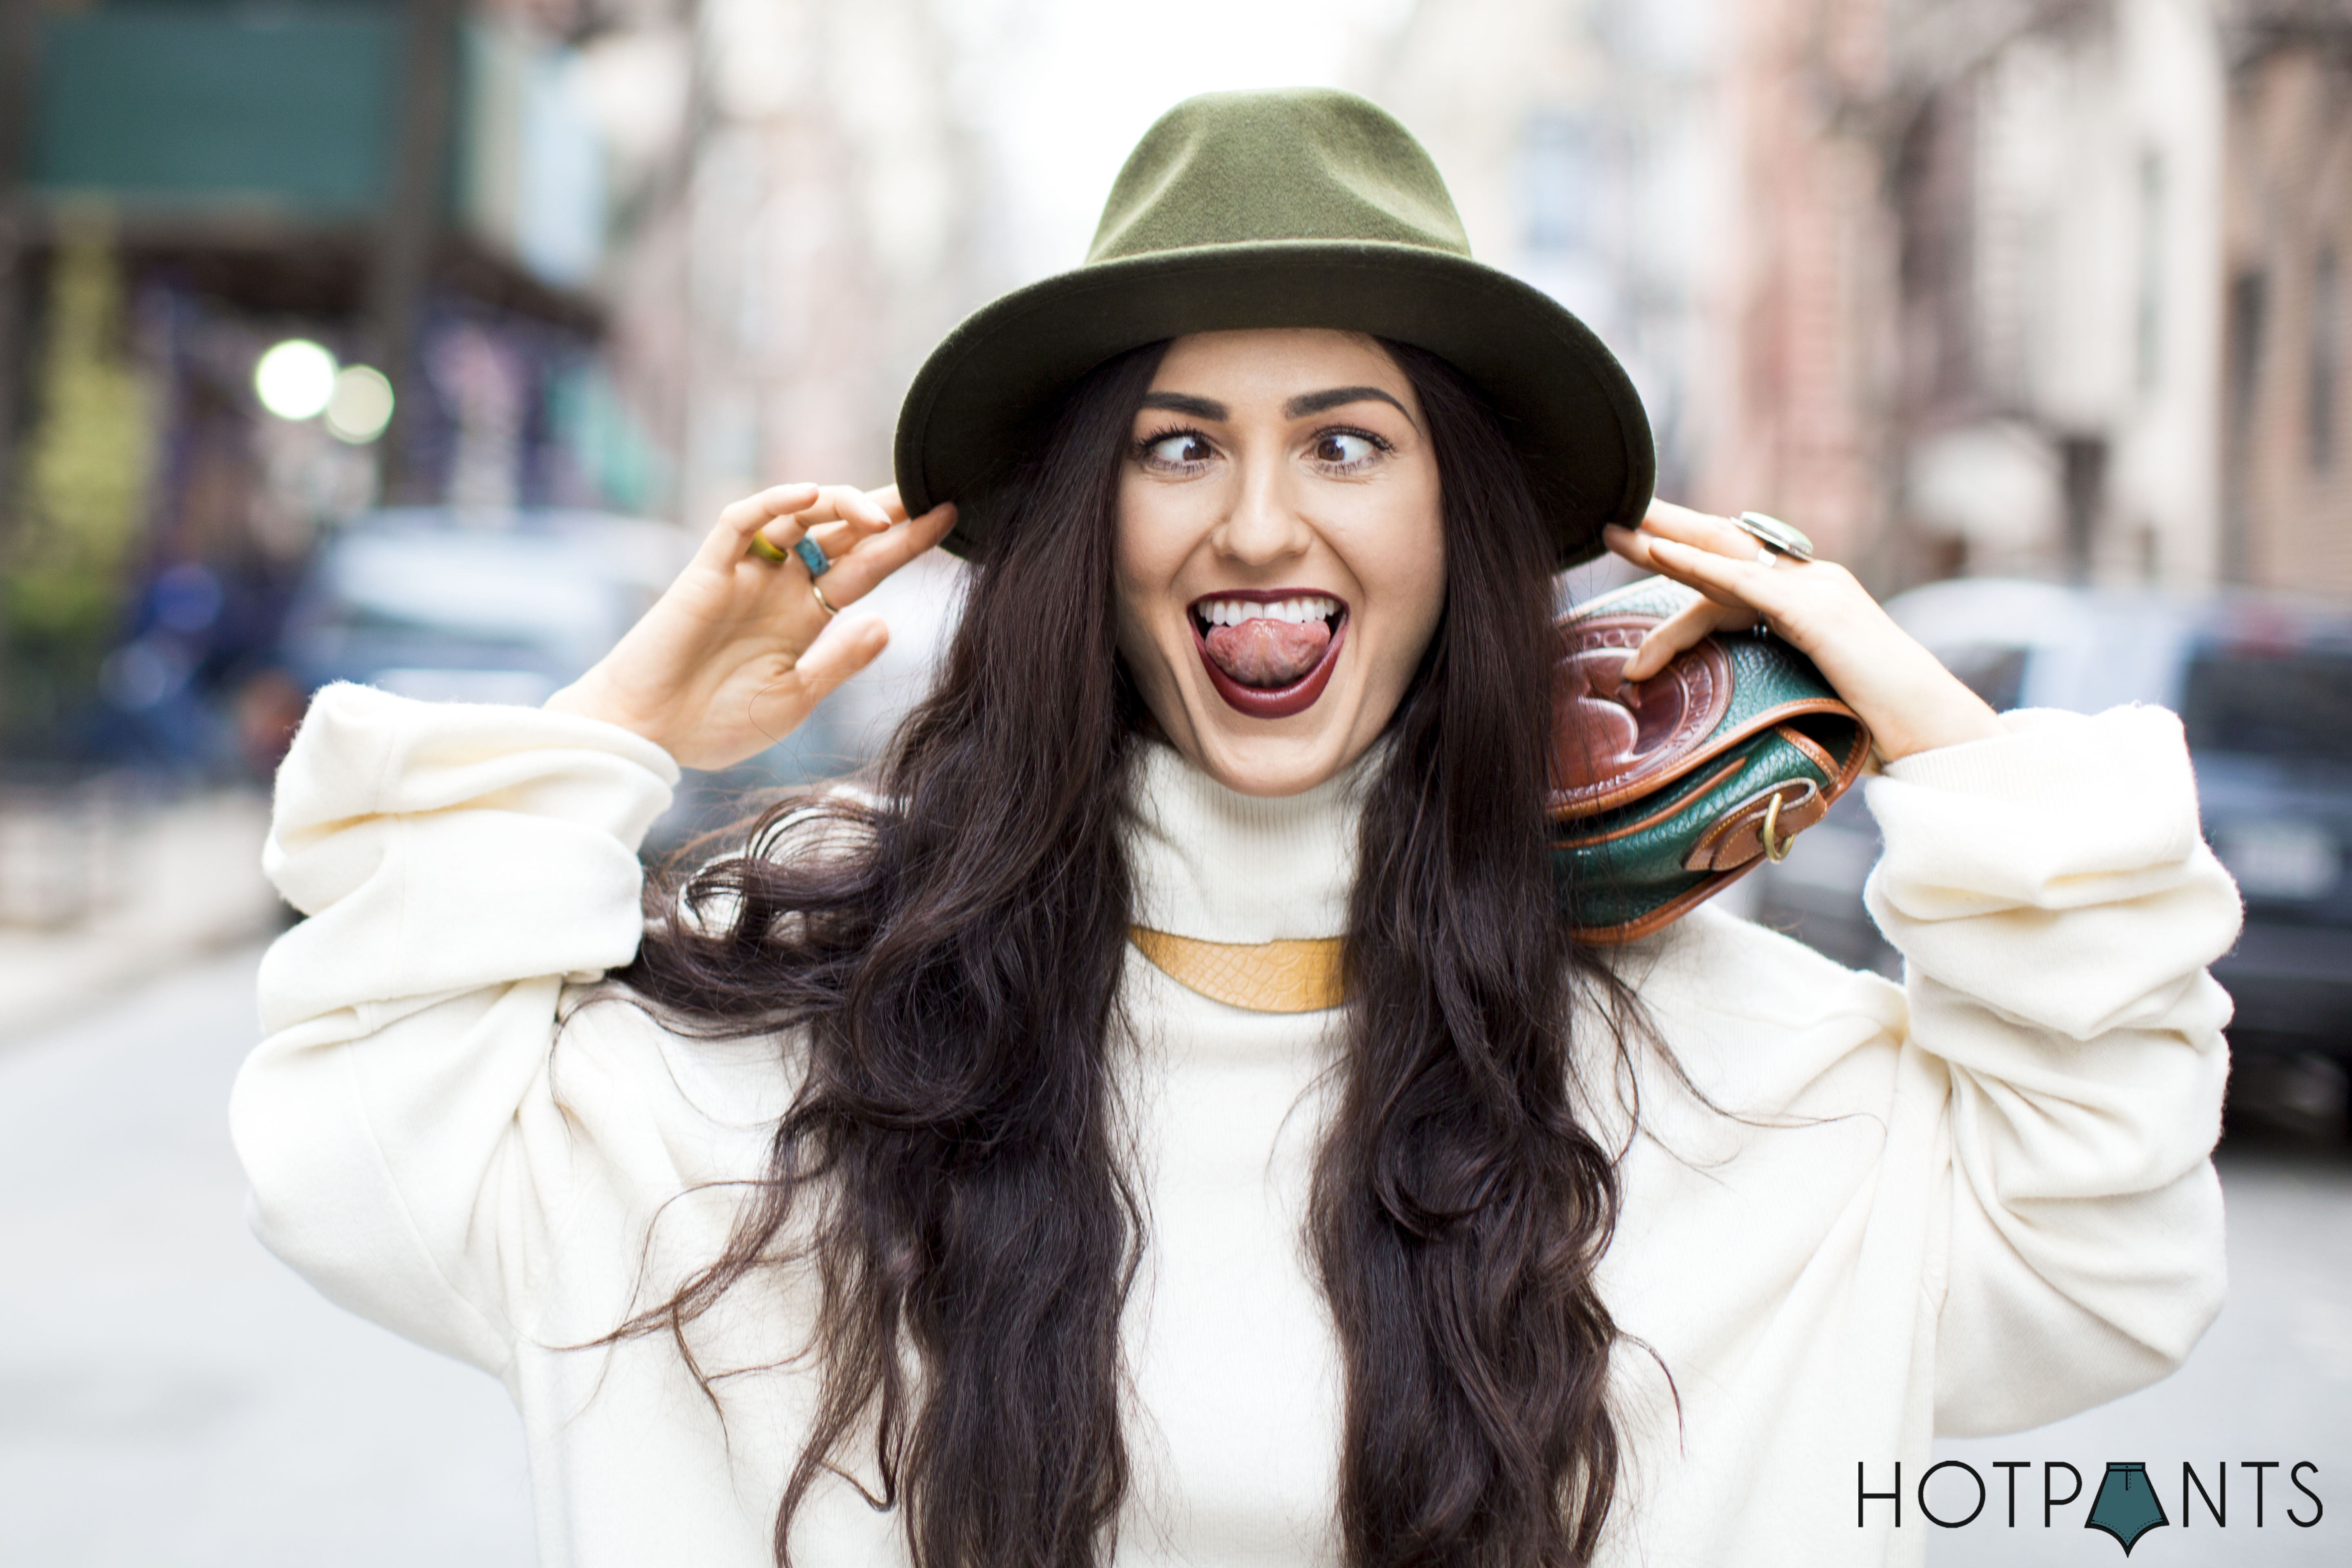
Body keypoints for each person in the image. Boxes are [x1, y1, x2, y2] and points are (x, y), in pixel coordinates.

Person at [231, 90, 2240, 1568]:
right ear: (1083, 538)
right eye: (1180, 445)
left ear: (1459, 536)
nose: (1261, 524)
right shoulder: (833, 1037)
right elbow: (370, 1144)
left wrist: (1943, 735)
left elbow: (2101, 1254)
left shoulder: (1724, 1064)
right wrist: (621, 725)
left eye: (1347, 444)